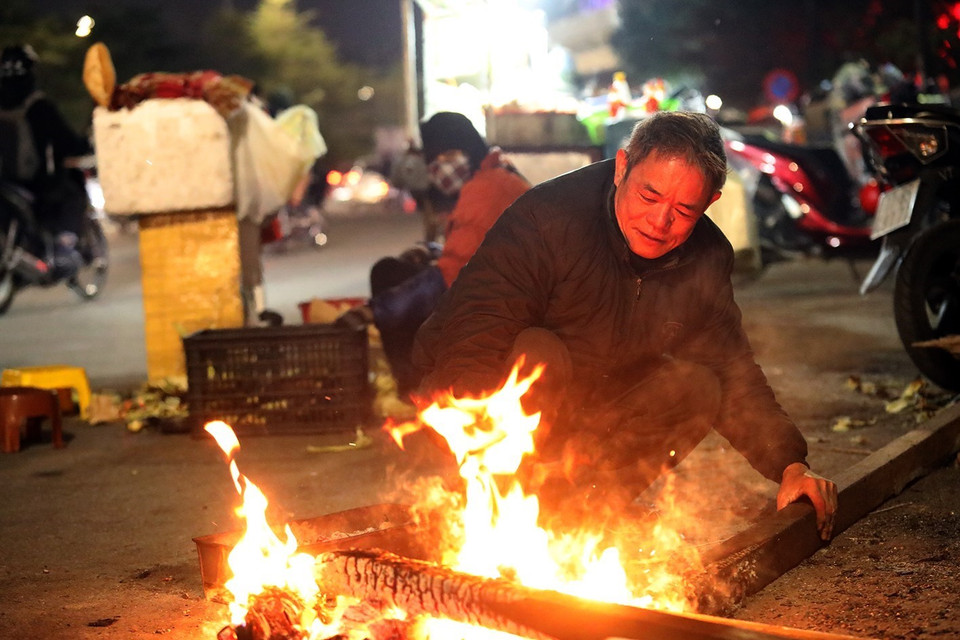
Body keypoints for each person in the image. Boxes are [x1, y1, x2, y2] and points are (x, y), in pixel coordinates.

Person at [412, 111, 838, 540]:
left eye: (684, 210)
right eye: (649, 196)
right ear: (622, 168)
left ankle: (581, 513)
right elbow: (474, 336)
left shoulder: (706, 257)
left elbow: (731, 369)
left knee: (696, 387)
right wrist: (479, 464)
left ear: (710, 203)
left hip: (588, 407)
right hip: (474, 408)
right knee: (538, 352)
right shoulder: (547, 220)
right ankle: (508, 505)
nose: (659, 222)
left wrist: (790, 466)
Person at [370, 112, 531, 398]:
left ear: (468, 150)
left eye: (448, 155)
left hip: (504, 302)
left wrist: (377, 310)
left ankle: (415, 390)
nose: (439, 166)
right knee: (398, 268)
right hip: (501, 289)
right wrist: (431, 252)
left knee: (387, 275)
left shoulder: (486, 188)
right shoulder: (494, 174)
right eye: (434, 158)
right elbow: (474, 249)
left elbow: (453, 275)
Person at [0, 44, 92, 275]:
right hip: (37, 183)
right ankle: (64, 247)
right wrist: (85, 146)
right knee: (72, 195)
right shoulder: (38, 106)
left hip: (5, 182)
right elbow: (66, 142)